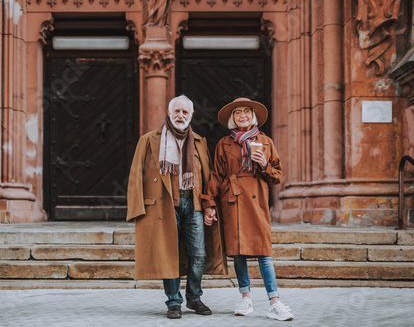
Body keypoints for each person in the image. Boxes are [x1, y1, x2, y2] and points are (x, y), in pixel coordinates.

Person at [126, 95, 227, 319]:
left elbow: (208, 176)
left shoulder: (199, 141)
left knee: (199, 253)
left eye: (185, 112)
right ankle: (173, 302)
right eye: (177, 111)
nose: (180, 115)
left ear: (191, 116)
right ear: (169, 113)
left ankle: (193, 298)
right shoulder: (149, 139)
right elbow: (135, 176)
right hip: (163, 205)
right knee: (168, 253)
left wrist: (210, 205)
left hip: (194, 203)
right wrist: (136, 210)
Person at [201, 97, 294, 321]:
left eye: (246, 112)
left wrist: (263, 164)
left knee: (264, 252)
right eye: (237, 113)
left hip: (257, 201)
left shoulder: (265, 141)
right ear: (233, 119)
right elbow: (216, 175)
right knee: (239, 253)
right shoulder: (224, 143)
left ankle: (275, 302)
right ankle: (245, 298)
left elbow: (277, 176)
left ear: (252, 116)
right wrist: (209, 203)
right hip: (232, 201)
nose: (242, 115)